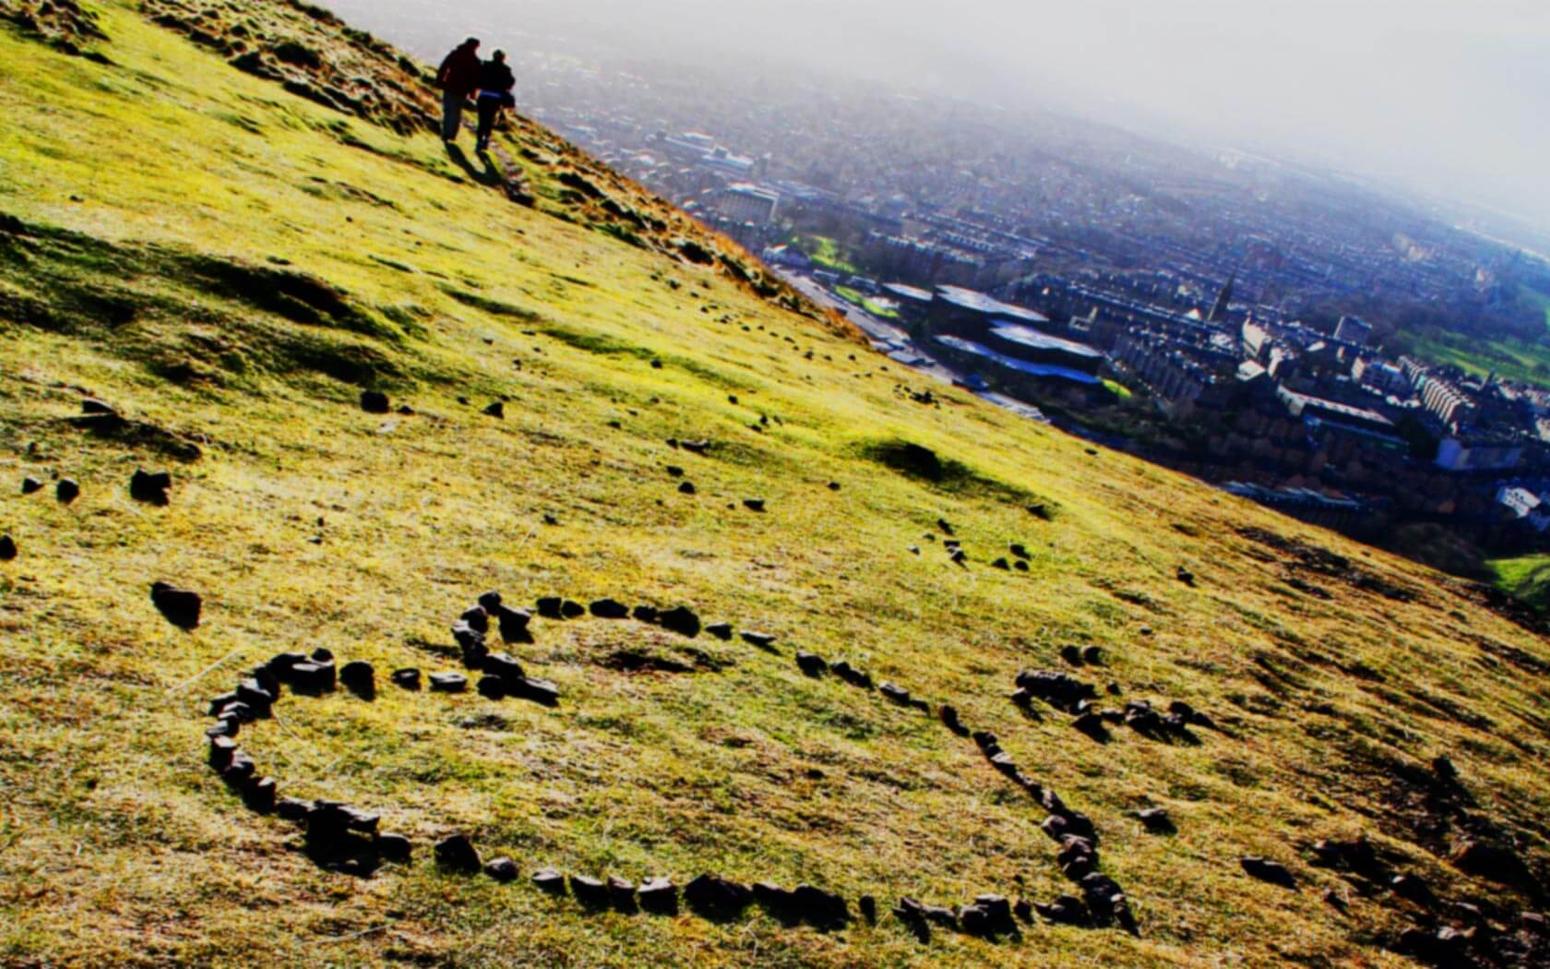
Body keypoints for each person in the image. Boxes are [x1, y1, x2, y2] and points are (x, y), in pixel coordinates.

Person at [435, 37, 481, 143]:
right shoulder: (475, 60)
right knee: (456, 111)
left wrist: (439, 81)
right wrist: (472, 92)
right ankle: (451, 134)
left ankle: (445, 133)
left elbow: (444, 66)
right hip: (462, 89)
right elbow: (475, 79)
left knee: (448, 110)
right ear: (476, 47)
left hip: (450, 85)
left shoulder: (455, 54)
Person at [474, 50, 516, 153]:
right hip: (496, 98)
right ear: (503, 58)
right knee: (490, 119)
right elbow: (510, 83)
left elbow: (478, 77)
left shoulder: (485, 65)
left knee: (481, 119)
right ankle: (486, 139)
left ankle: (479, 140)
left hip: (483, 95)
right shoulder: (506, 70)